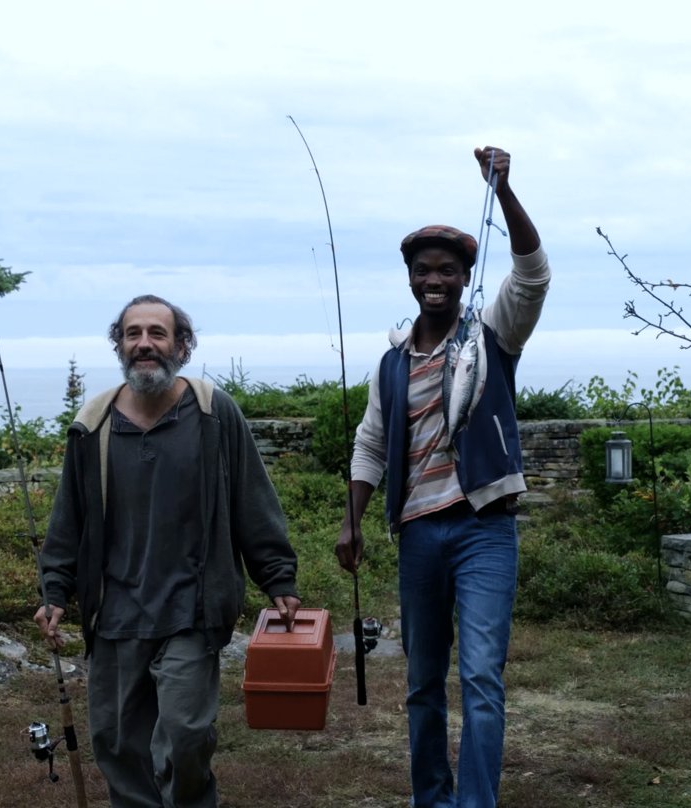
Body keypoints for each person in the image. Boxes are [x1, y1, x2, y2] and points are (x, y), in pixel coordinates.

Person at [336, 147, 550, 808]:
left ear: (464, 278)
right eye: (425, 270)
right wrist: (352, 520)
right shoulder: (390, 363)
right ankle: (431, 797)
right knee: (423, 682)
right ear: (410, 278)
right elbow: (371, 442)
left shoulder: (491, 334)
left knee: (481, 677)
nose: (436, 279)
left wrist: (504, 192)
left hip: (485, 530)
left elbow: (533, 273)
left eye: (449, 270)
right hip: (418, 537)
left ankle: (475, 803)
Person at [35, 294, 301, 808]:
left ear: (182, 344)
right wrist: (55, 589)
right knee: (116, 744)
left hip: (190, 609)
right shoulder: (93, 424)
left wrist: (278, 578)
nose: (144, 345)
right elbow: (69, 518)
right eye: (132, 334)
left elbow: (252, 500)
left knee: (184, 734)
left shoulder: (211, 413)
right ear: (119, 345)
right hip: (114, 613)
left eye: (157, 333)